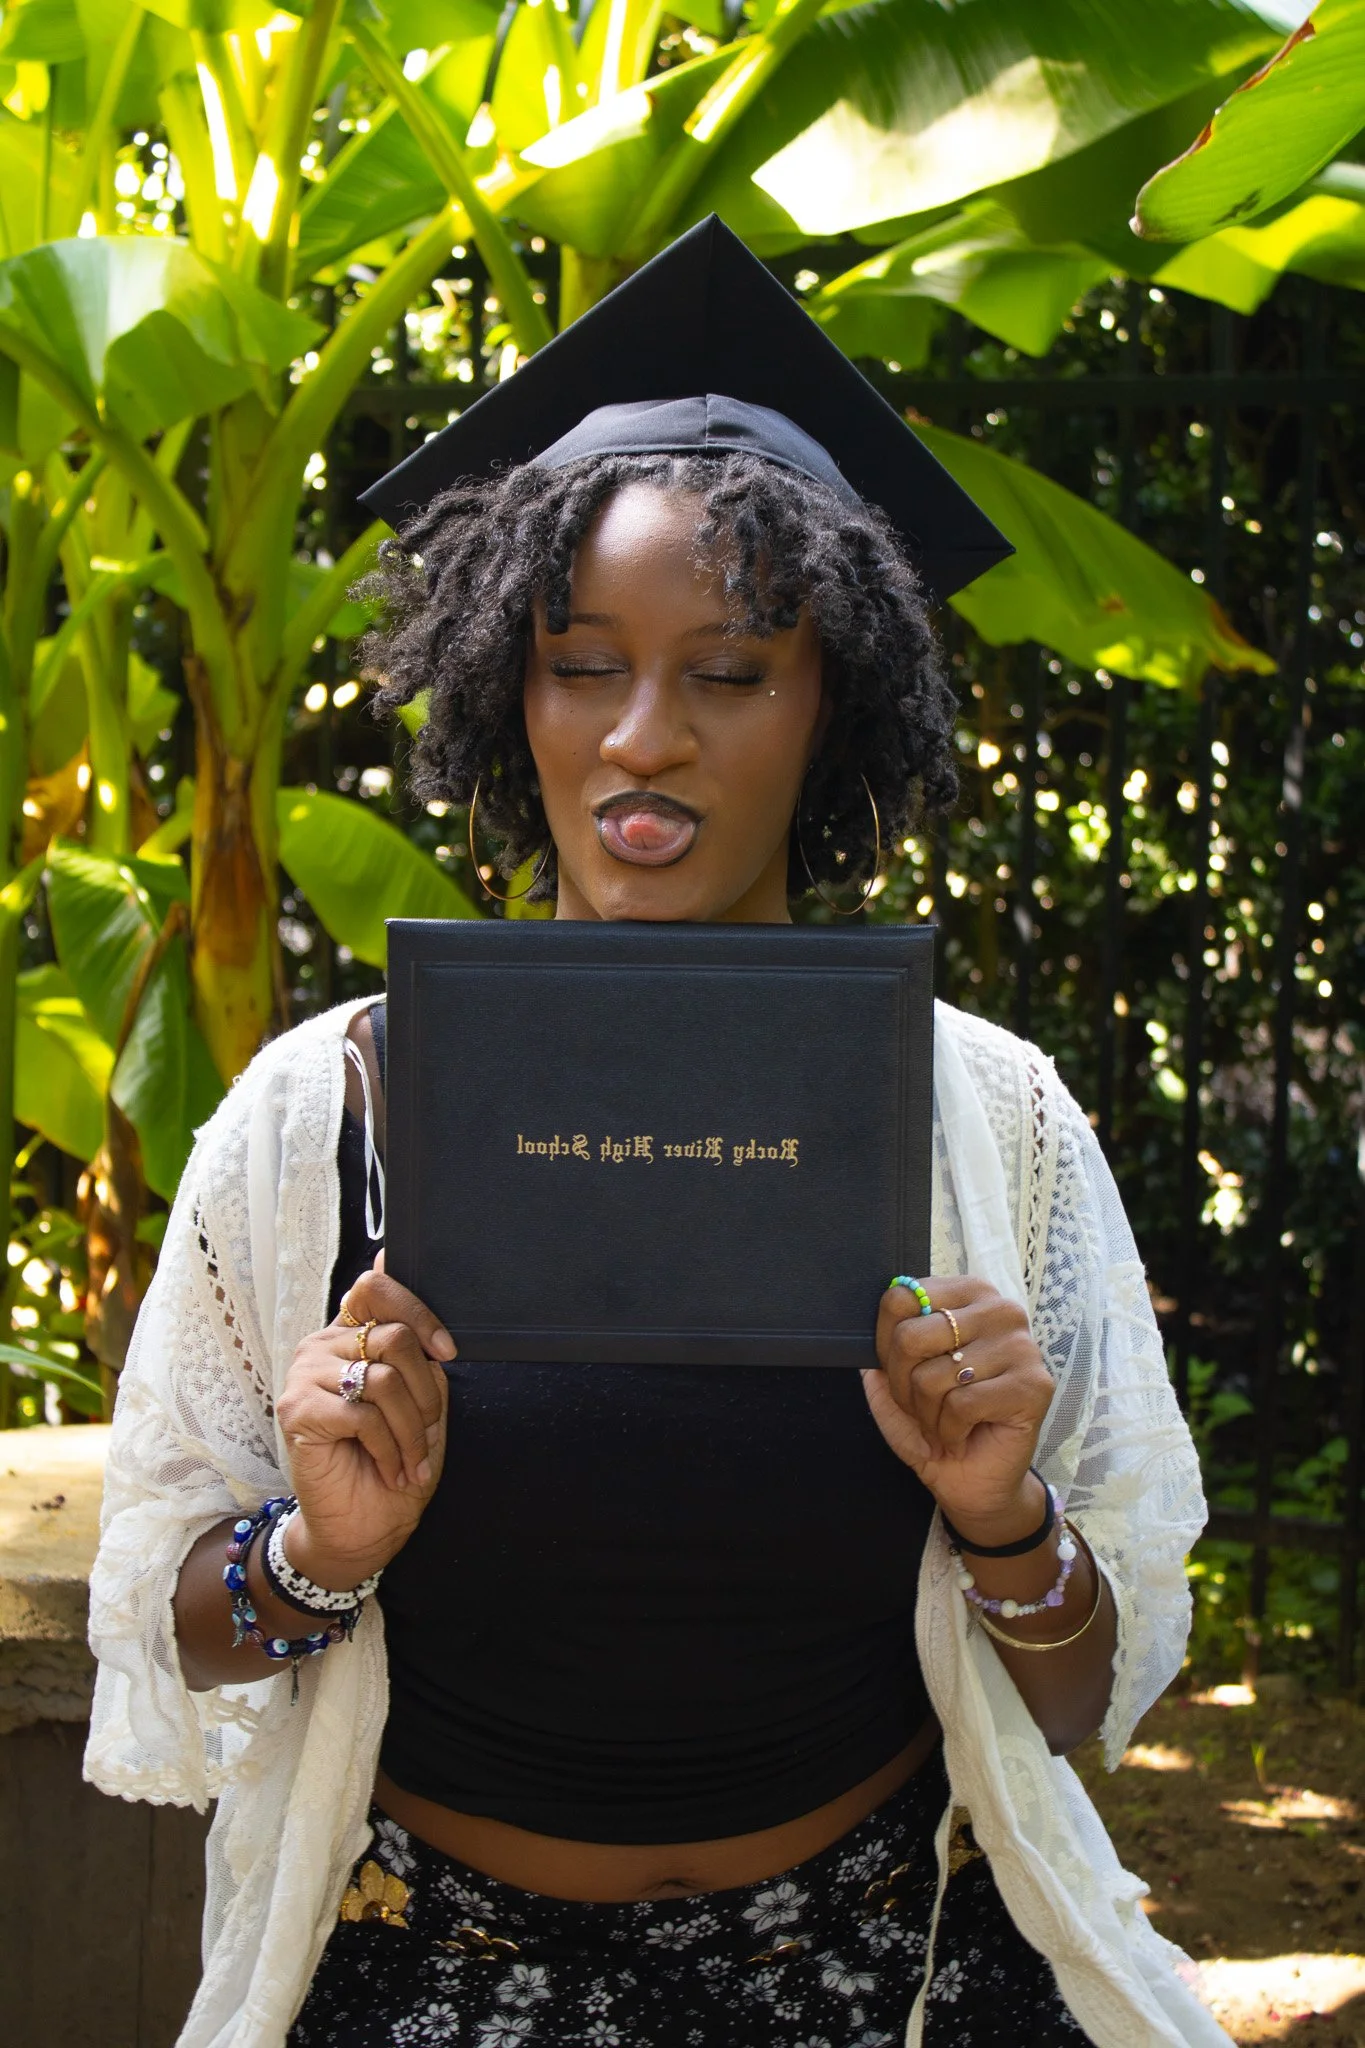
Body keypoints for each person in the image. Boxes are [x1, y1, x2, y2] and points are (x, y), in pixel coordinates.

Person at [86, 219, 1228, 2048]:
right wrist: (324, 1544)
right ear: (504, 693)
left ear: (830, 700)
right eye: (578, 664)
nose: (643, 740)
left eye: (731, 672)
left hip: (893, 1977)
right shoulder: (329, 1113)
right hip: (427, 1979)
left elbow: (1084, 1696)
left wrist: (1004, 1517)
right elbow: (171, 1621)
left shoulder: (980, 1117)